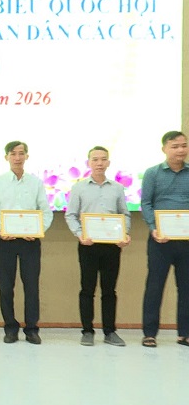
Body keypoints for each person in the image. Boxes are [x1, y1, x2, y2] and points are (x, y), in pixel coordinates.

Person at [0, 141, 53, 344]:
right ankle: (10, 328)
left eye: (21, 153)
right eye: (13, 154)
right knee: (6, 287)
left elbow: (46, 212)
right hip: (5, 242)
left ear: (27, 156)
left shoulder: (36, 183)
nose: (17, 157)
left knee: (31, 286)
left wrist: (38, 230)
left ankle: (32, 329)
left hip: (29, 242)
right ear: (6, 157)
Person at [65, 146, 130, 347]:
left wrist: (124, 234)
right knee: (87, 289)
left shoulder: (117, 188)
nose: (99, 163)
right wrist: (79, 234)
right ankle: (87, 331)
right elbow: (71, 215)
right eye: (95, 159)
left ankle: (110, 332)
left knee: (109, 290)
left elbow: (125, 214)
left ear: (108, 162)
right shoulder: (79, 188)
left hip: (111, 246)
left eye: (103, 159)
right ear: (89, 163)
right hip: (88, 245)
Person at [141, 131, 189, 348]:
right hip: (160, 240)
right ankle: (149, 333)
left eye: (184, 145)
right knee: (155, 286)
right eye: (175, 146)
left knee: (186, 287)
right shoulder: (152, 173)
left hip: (186, 240)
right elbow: (146, 203)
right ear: (164, 149)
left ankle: (185, 333)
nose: (180, 150)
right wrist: (154, 228)